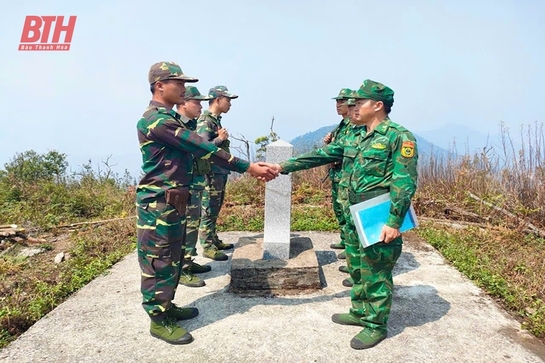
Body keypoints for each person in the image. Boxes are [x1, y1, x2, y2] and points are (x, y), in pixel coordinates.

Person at [136, 61, 277, 345]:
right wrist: (248, 167)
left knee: (173, 257)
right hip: (158, 205)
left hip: (174, 201)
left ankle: (167, 305)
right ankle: (158, 319)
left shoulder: (169, 118)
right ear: (160, 85)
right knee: (159, 260)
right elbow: (202, 147)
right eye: (180, 83)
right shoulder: (155, 119)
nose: (185, 89)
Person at [271, 79, 418, 350]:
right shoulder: (357, 134)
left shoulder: (399, 136)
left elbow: (404, 182)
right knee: (357, 265)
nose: (354, 107)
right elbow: (323, 155)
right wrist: (282, 167)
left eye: (360, 102)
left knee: (376, 269)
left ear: (378, 105)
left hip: (378, 214)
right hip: (353, 213)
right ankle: (360, 311)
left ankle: (375, 324)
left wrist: (394, 222)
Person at [175, 86, 213, 288]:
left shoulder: (190, 125)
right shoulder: (178, 126)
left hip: (196, 183)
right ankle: (182, 269)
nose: (200, 106)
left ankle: (188, 260)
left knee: (193, 224)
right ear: (184, 103)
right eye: (196, 102)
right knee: (186, 227)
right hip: (186, 185)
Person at [196, 85, 239, 261]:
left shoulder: (215, 120)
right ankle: (207, 246)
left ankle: (213, 239)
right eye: (228, 100)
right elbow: (201, 147)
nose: (230, 104)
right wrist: (220, 139)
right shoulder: (206, 121)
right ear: (217, 100)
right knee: (209, 209)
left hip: (219, 172)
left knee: (216, 207)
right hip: (211, 173)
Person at [323, 88, 353, 263]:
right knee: (339, 210)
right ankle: (345, 240)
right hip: (337, 174)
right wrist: (328, 142)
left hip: (346, 175)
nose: (338, 105)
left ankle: (351, 247)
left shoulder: (354, 125)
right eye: (336, 101)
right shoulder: (341, 125)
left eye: (341, 101)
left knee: (348, 212)